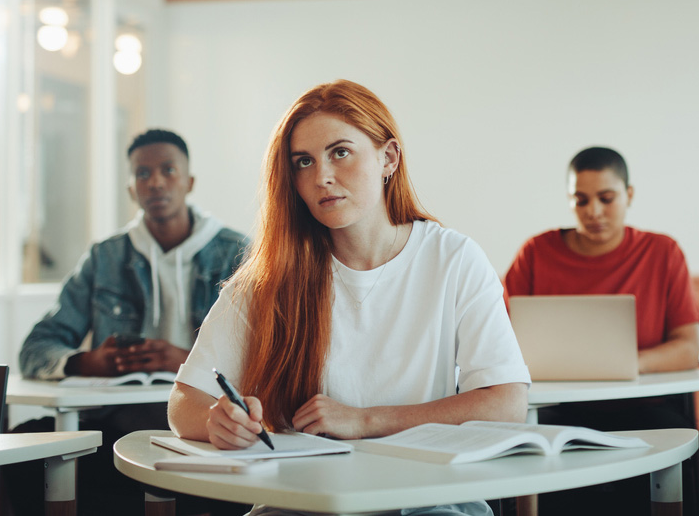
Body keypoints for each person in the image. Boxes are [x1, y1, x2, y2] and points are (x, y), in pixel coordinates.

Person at [167, 80, 530, 516]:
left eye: (340, 152)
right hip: (304, 502)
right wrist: (217, 422)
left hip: (427, 499)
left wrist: (365, 420)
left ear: (388, 158)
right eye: (304, 161)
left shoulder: (453, 258)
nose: (321, 176)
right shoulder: (271, 278)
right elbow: (183, 402)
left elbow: (506, 403)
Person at [13, 128, 249, 515]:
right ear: (131, 189)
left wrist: (187, 361)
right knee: (24, 445)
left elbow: (265, 356)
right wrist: (87, 362)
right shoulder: (105, 257)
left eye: (168, 170)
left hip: (203, 421)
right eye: (142, 174)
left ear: (189, 182)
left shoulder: (238, 253)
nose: (155, 182)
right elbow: (36, 348)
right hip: (118, 420)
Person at [502, 146, 699, 513]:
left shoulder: (662, 252)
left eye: (606, 198)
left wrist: (625, 363)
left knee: (668, 438)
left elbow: (688, 348)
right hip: (557, 408)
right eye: (580, 200)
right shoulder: (536, 253)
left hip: (644, 407)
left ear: (629, 195)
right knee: (529, 451)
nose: (593, 211)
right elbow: (500, 339)